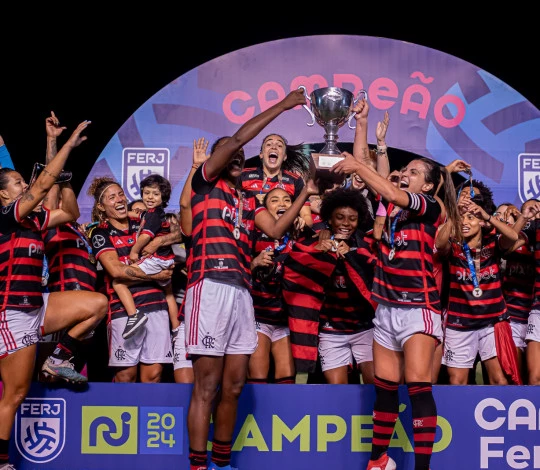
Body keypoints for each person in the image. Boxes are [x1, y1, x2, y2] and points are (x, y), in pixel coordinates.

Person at [184, 89, 317, 470]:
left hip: (242, 295)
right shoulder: (206, 183)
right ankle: (198, 465)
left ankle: (222, 462)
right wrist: (284, 106)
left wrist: (303, 193)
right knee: (207, 387)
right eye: (230, 152)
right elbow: (240, 138)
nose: (238, 155)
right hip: (209, 285)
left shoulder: (247, 201)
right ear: (217, 158)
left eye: (240, 155)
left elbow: (275, 230)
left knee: (235, 387)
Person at [331, 98, 460, 470]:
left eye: (416, 171)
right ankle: (378, 461)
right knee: (384, 391)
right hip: (386, 309)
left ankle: (421, 467)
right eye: (407, 170)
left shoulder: (428, 207)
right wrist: (362, 123)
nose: (407, 173)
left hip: (418, 307)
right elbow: (370, 174)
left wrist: (361, 165)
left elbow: (384, 186)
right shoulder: (393, 213)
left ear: (430, 184)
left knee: (418, 387)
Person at [0, 120, 109, 470]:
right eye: (18, 182)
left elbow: (70, 212)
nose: (25, 184)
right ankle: (2, 461)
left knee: (96, 303)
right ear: (3, 193)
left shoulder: (32, 221)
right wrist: (67, 146)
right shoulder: (6, 215)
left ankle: (58, 359)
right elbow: (45, 181)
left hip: (38, 305)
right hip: (12, 312)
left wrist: (51, 144)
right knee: (15, 394)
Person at [282, 187, 377, 384]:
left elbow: (373, 271)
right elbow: (294, 268)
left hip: (365, 328)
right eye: (340, 217)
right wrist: (318, 252)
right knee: (337, 390)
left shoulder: (365, 245)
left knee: (375, 385)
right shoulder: (316, 242)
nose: (346, 223)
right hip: (331, 330)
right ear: (330, 219)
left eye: (352, 218)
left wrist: (351, 255)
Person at [88, 177, 174, 383]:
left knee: (153, 375)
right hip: (123, 311)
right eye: (111, 197)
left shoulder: (142, 221)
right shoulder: (100, 232)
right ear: (101, 206)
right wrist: (157, 276)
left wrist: (161, 240)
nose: (119, 199)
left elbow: (179, 231)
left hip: (156, 304)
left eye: (120, 194)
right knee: (125, 375)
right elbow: (116, 271)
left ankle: (147, 416)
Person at [435, 195, 522, 386]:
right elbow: (439, 244)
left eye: (470, 218)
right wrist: (453, 216)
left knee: (500, 379)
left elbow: (513, 236)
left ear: (481, 222)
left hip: (492, 322)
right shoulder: (455, 247)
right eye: (462, 218)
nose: (465, 222)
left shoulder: (493, 244)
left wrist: (488, 217)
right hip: (460, 323)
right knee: (457, 381)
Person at [112, 174, 178, 340]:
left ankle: (134, 315)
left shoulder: (154, 215)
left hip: (156, 260)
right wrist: (120, 213)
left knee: (118, 281)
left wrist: (134, 251)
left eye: (155, 194)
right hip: (166, 260)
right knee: (169, 294)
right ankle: (177, 329)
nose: (150, 197)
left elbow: (145, 237)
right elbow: (137, 215)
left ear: (163, 197)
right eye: (147, 193)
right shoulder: (151, 213)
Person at [248, 187, 301, 385]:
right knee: (258, 377)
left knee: (286, 378)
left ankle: (286, 415)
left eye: (287, 200)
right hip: (258, 317)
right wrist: (254, 263)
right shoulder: (253, 234)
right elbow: (237, 271)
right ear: (264, 209)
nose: (281, 204)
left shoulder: (300, 235)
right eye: (274, 200)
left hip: (285, 319)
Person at [241, 133, 313, 226]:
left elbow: (306, 216)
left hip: (281, 236)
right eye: (269, 144)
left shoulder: (295, 180)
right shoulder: (243, 175)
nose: (274, 147)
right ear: (261, 154)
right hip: (248, 234)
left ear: (284, 157)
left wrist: (300, 223)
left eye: (279, 145)